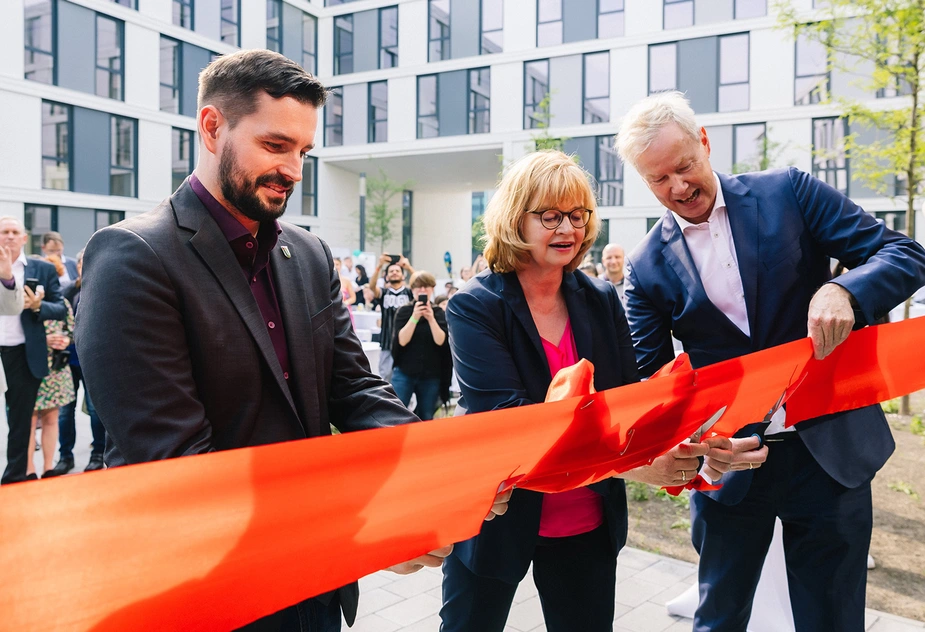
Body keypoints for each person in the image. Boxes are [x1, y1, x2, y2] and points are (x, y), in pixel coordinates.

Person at [74, 49, 488, 632]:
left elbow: (353, 386)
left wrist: (438, 473)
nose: (294, 170)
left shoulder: (308, 252)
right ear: (213, 128)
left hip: (313, 592)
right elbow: (178, 470)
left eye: (303, 152)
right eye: (275, 146)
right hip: (206, 594)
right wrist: (368, 527)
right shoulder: (133, 258)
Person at [617, 91, 925, 632]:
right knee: (719, 619)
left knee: (832, 620)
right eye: (658, 180)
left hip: (830, 452)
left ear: (705, 142)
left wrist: (846, 292)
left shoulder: (789, 191)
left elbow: (904, 254)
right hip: (730, 468)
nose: (678, 187)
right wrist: (692, 446)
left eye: (684, 167)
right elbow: (652, 383)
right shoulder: (644, 268)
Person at [442, 150, 710, 632]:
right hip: (498, 512)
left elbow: (625, 403)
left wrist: (683, 429)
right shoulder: (475, 305)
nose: (567, 228)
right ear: (514, 220)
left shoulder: (602, 298)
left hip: (586, 519)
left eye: (577, 214)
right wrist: (637, 463)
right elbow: (510, 420)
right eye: (550, 215)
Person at [0, 217, 66, 485]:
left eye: (15, 232)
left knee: (20, 420)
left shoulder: (41, 269)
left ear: (25, 238)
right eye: (5, 232)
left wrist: (38, 306)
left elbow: (60, 308)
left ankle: (14, 477)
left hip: (23, 353)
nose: (10, 236)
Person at [46, 248, 106, 476]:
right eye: (81, 262)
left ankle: (97, 454)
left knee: (94, 410)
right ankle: (65, 456)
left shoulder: (104, 290)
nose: (84, 266)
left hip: (92, 361)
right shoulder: (66, 291)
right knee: (64, 412)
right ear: (78, 266)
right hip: (67, 361)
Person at [26, 253, 75, 479]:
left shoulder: (61, 302)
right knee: (28, 420)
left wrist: (65, 339)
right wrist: (42, 340)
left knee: (52, 418)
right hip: (27, 363)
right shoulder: (23, 301)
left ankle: (48, 466)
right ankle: (29, 469)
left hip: (56, 367)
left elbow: (72, 329)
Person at [390, 271, 450, 421]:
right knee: (397, 414)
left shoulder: (438, 313)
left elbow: (441, 341)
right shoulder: (404, 311)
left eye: (426, 287)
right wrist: (415, 318)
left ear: (432, 289)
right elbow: (401, 341)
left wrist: (431, 319)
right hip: (405, 372)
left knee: (426, 416)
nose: (422, 290)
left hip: (431, 374)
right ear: (412, 290)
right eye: (418, 287)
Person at [369, 254, 414, 381]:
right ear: (387, 276)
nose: (394, 273)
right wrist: (379, 266)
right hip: (387, 341)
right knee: (385, 378)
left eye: (397, 271)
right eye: (391, 271)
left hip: (407, 343)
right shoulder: (383, 293)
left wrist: (409, 267)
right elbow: (372, 286)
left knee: (406, 378)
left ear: (403, 275)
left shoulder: (410, 292)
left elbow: (419, 283)